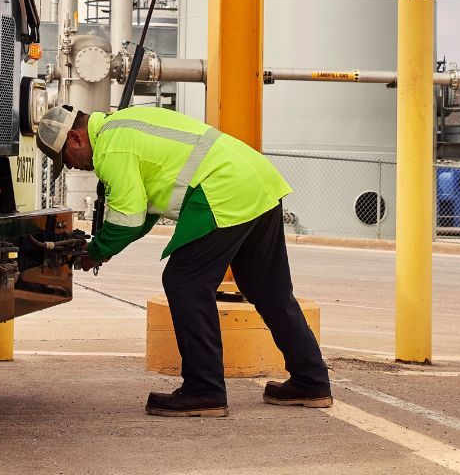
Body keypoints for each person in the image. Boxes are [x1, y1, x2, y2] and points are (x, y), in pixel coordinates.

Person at [36, 103, 330, 417]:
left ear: (76, 139)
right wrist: (101, 247)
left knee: (185, 282)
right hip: (256, 178)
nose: (70, 166)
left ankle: (204, 390)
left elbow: (127, 221)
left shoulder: (111, 149)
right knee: (268, 289)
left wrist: (94, 253)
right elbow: (143, 211)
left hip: (224, 188)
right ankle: (310, 379)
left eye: (65, 158)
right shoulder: (122, 124)